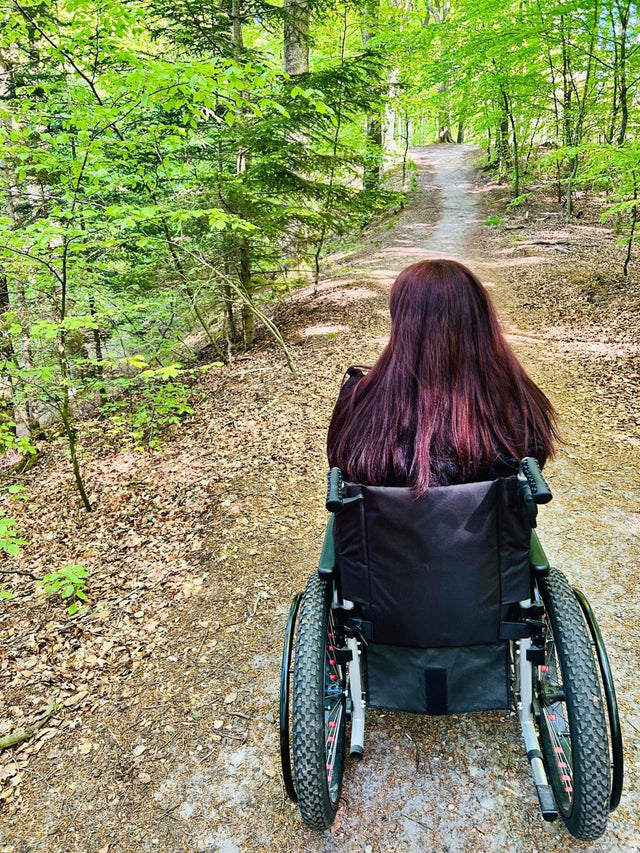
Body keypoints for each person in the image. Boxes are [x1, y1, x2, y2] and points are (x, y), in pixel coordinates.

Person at [327, 259, 558, 493]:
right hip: (491, 530)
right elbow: (533, 464)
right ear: (480, 320)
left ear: (401, 322)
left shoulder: (357, 398)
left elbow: (342, 470)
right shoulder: (518, 401)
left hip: (382, 529)